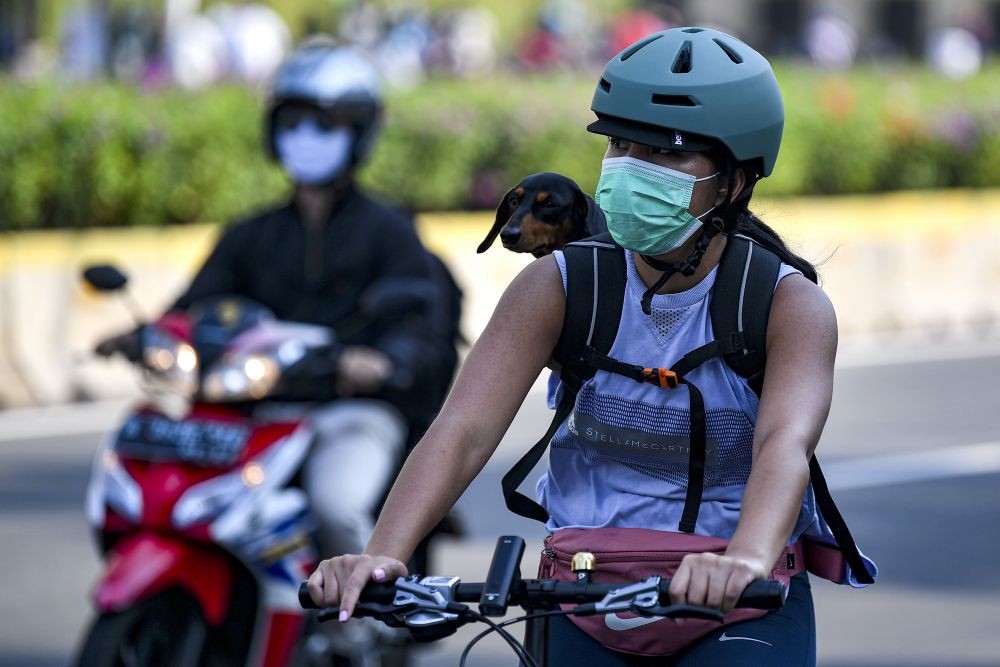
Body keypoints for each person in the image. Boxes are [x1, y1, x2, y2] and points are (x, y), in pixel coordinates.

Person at [307, 27, 875, 665]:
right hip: (579, 596)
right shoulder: (556, 286)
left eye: (667, 155)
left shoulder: (787, 304)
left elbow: (784, 445)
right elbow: (462, 429)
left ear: (734, 183)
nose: (634, 167)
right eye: (622, 145)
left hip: (736, 602)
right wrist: (382, 556)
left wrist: (744, 558)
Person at [98, 38, 456, 641]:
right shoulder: (250, 234)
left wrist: (382, 362)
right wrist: (141, 335)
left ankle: (362, 634)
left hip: (349, 411)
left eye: (327, 123)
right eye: (293, 120)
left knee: (336, 504)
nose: (307, 135)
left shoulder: (391, 233)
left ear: (360, 132)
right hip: (253, 412)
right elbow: (194, 305)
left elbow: (421, 324)